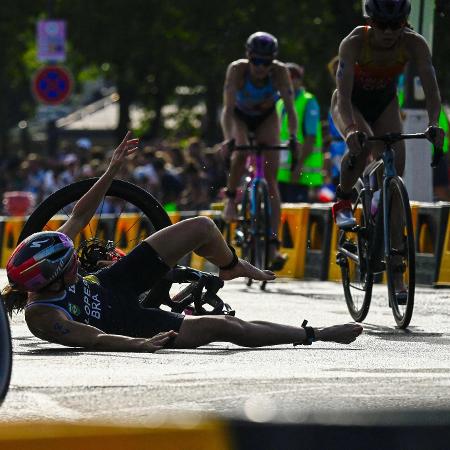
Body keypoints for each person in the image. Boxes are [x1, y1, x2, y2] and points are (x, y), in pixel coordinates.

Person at [2, 132, 363, 352]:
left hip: (114, 282)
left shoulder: (50, 253)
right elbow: (94, 338)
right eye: (71, 267)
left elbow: (79, 216)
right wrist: (140, 345)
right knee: (225, 327)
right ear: (51, 280)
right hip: (127, 321)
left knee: (202, 227)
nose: (76, 261)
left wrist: (111, 171)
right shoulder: (42, 316)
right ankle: (317, 334)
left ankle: (230, 265)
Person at [331, 0, 445, 230]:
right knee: (361, 145)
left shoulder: (414, 43)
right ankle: (343, 199)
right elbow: (343, 97)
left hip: (385, 103)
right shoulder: (353, 43)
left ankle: (392, 250)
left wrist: (434, 124)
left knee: (396, 166)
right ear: (370, 22)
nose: (389, 31)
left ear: (404, 23)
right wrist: (351, 129)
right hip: (352, 103)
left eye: (396, 24)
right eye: (382, 24)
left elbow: (433, 94)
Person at [220, 31, 300, 269]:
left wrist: (294, 137)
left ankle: (274, 245)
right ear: (248, 56)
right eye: (256, 60)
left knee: (271, 181)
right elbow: (227, 110)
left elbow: (290, 109)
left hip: (266, 118)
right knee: (241, 151)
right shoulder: (237, 70)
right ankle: (232, 200)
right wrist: (227, 139)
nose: (260, 67)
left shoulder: (279, 72)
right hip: (240, 117)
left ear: (272, 61)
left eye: (266, 62)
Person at [276, 63, 324, 203]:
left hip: (300, 174)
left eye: (292, 78)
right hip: (282, 175)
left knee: (298, 218)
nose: (289, 82)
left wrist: (298, 167)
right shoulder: (279, 103)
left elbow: (310, 138)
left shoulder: (308, 101)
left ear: (299, 80)